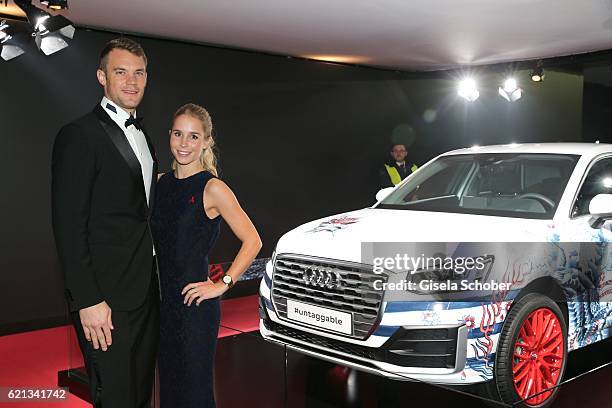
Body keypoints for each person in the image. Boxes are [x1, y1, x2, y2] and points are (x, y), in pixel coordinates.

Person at [51, 38, 159, 408]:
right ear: (102, 77)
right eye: (121, 72)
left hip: (146, 291)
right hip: (105, 300)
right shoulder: (78, 136)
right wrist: (88, 301)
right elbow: (68, 227)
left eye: (139, 72)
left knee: (141, 391)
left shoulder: (145, 136)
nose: (132, 81)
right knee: (113, 395)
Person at [151, 103, 262, 408]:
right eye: (178, 134)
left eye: (193, 136)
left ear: (206, 141)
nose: (184, 144)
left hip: (194, 309)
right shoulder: (159, 183)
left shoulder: (213, 188)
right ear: (170, 136)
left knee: (194, 394)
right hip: (162, 308)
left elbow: (253, 240)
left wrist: (223, 283)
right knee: (170, 394)